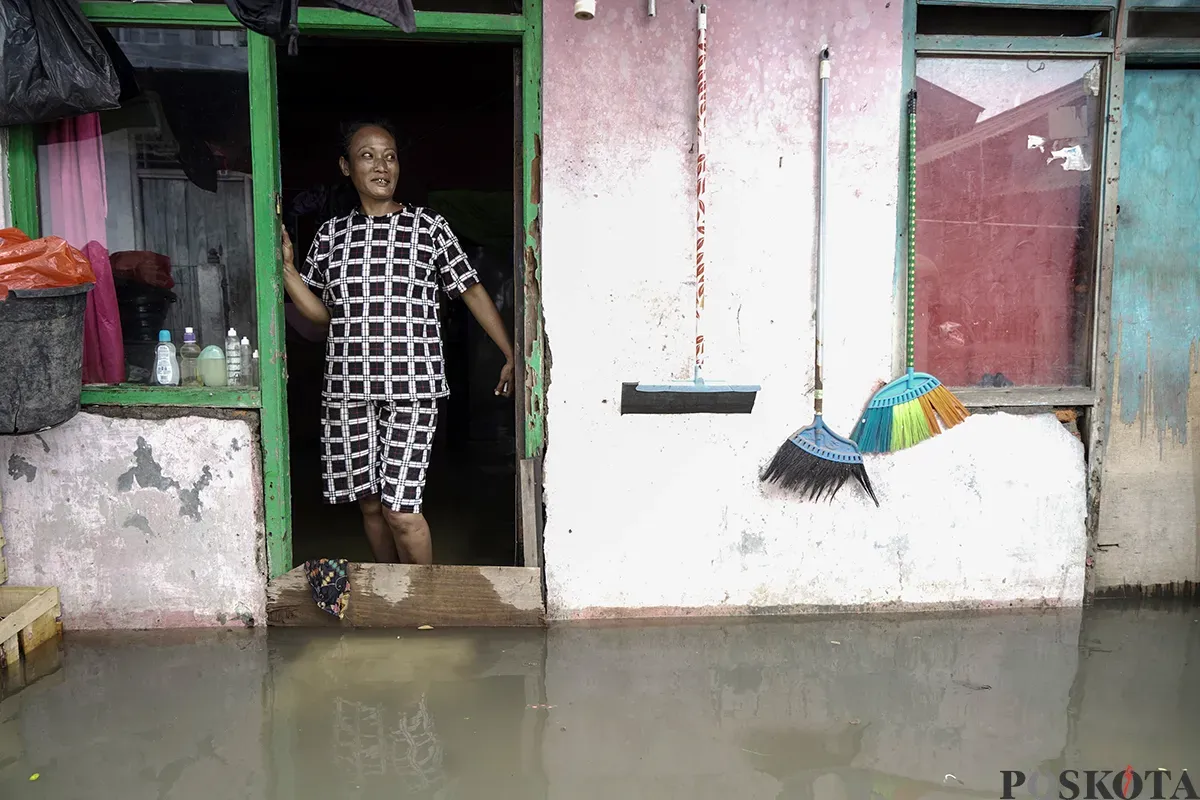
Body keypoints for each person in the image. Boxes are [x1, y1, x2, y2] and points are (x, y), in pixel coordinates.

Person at [281, 120, 514, 565]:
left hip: (413, 388)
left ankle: (422, 609)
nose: (381, 165)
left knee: (402, 510)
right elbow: (320, 316)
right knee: (370, 504)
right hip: (349, 389)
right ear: (346, 167)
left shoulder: (429, 227)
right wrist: (289, 272)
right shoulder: (331, 235)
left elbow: (471, 289)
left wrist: (509, 352)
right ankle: (391, 596)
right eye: (367, 156)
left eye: (389, 155)